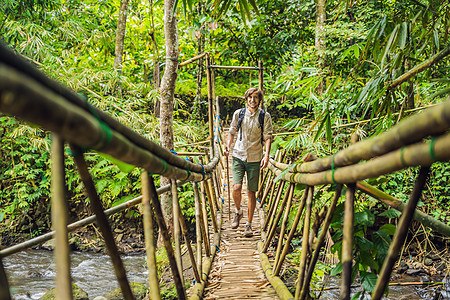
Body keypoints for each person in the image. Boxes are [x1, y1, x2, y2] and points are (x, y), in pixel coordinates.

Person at [224, 87, 273, 237]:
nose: (253, 100)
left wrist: (266, 155)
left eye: (256, 97)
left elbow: (268, 136)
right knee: (236, 187)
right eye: (250, 97)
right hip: (238, 155)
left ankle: (248, 224)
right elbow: (232, 131)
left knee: (251, 192)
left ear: (259, 100)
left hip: (255, 157)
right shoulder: (238, 114)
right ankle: (238, 212)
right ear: (246, 99)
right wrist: (227, 146)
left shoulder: (265, 116)